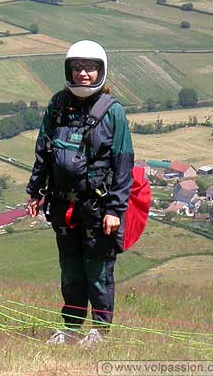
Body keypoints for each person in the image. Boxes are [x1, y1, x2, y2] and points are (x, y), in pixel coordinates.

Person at [25, 40, 134, 346]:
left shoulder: (113, 113)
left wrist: (115, 209)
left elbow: (123, 163)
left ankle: (100, 331)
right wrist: (35, 191)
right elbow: (44, 151)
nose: (83, 74)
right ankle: (72, 328)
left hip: (98, 208)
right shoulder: (57, 105)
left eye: (90, 68)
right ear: (68, 70)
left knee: (97, 269)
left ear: (101, 71)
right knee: (71, 269)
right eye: (77, 68)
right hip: (62, 205)